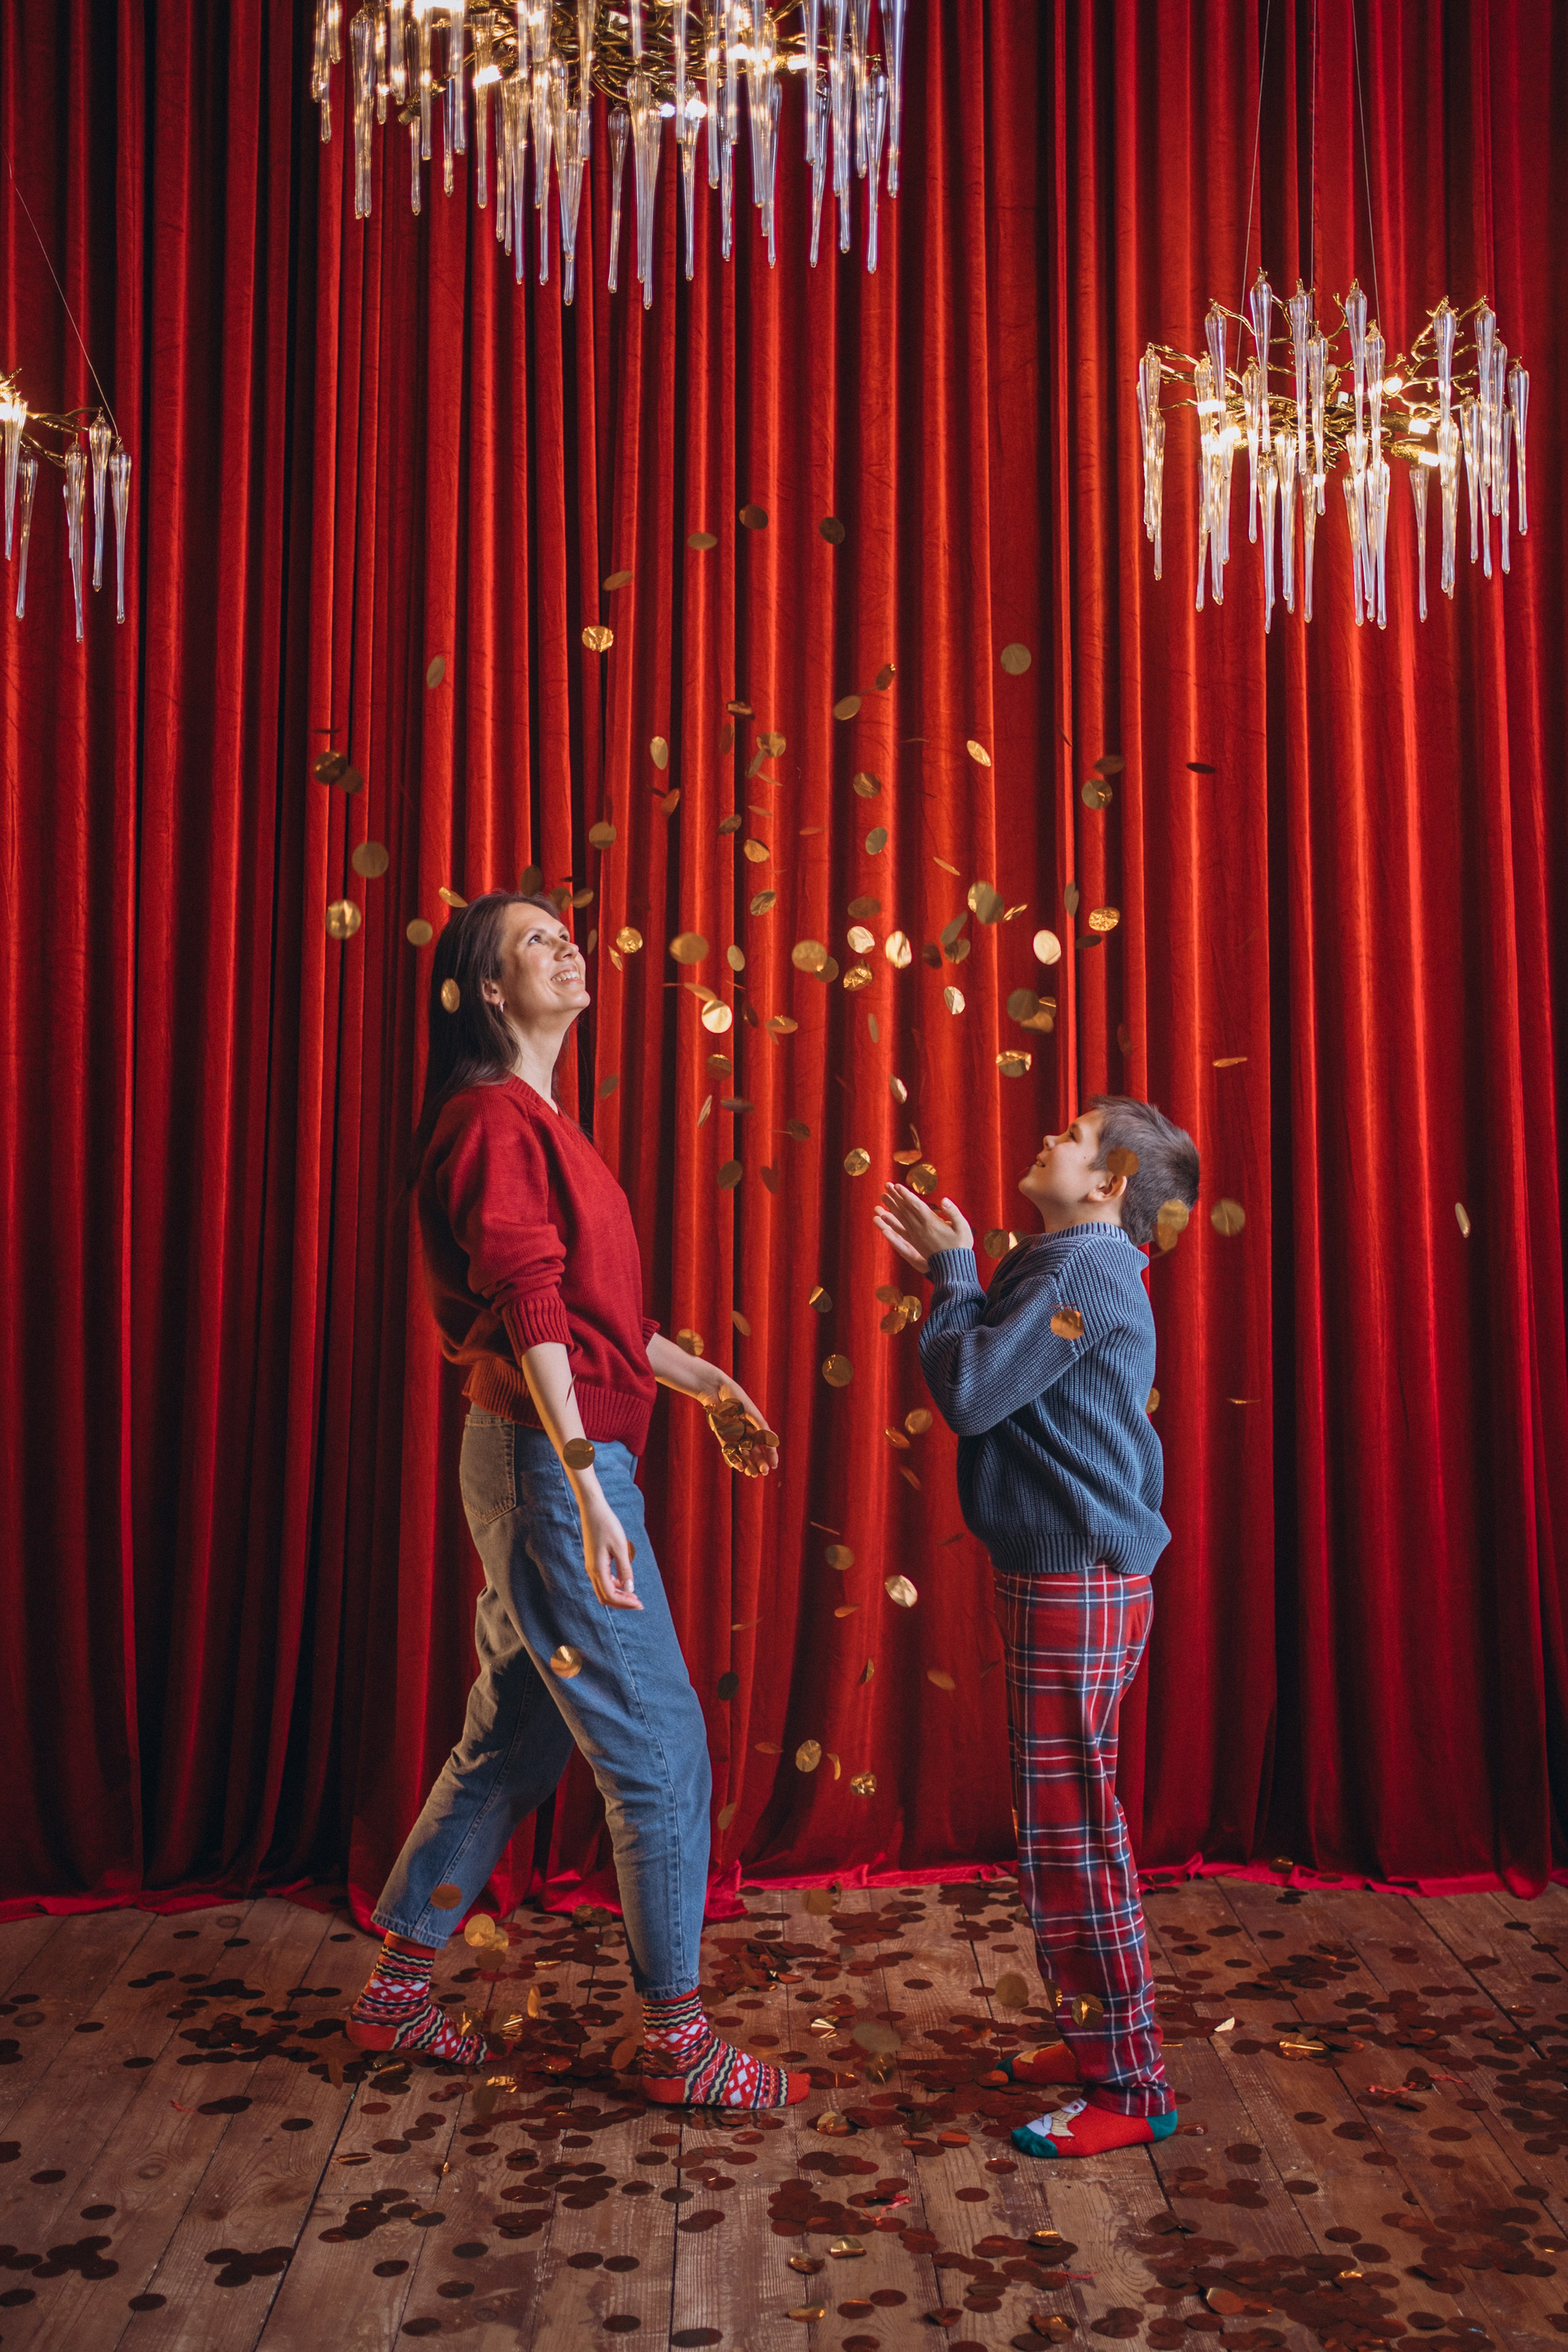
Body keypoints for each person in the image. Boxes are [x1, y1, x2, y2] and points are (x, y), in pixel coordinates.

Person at [347, 889, 806, 2109]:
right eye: (535, 941)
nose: (568, 946)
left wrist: (705, 1382)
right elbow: (530, 1307)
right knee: (660, 1752)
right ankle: (678, 2045)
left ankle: (393, 1997)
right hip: (551, 1465)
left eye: (568, 932)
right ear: (490, 990)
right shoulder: (493, 1120)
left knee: (514, 1738)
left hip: (547, 1456)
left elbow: (594, 1321)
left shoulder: (541, 1121)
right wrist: (591, 1481)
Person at [874, 1097, 1200, 2158]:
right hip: (1063, 1574)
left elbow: (971, 1390)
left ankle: (1131, 2086)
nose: (1052, 1137)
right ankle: (1095, 2032)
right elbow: (996, 1361)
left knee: (1072, 1834)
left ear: (1109, 1184)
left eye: (1075, 1135)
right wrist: (963, 1271)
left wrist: (952, 1274)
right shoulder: (1062, 1264)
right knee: (1059, 1824)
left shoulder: (1083, 1274)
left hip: (1077, 1580)